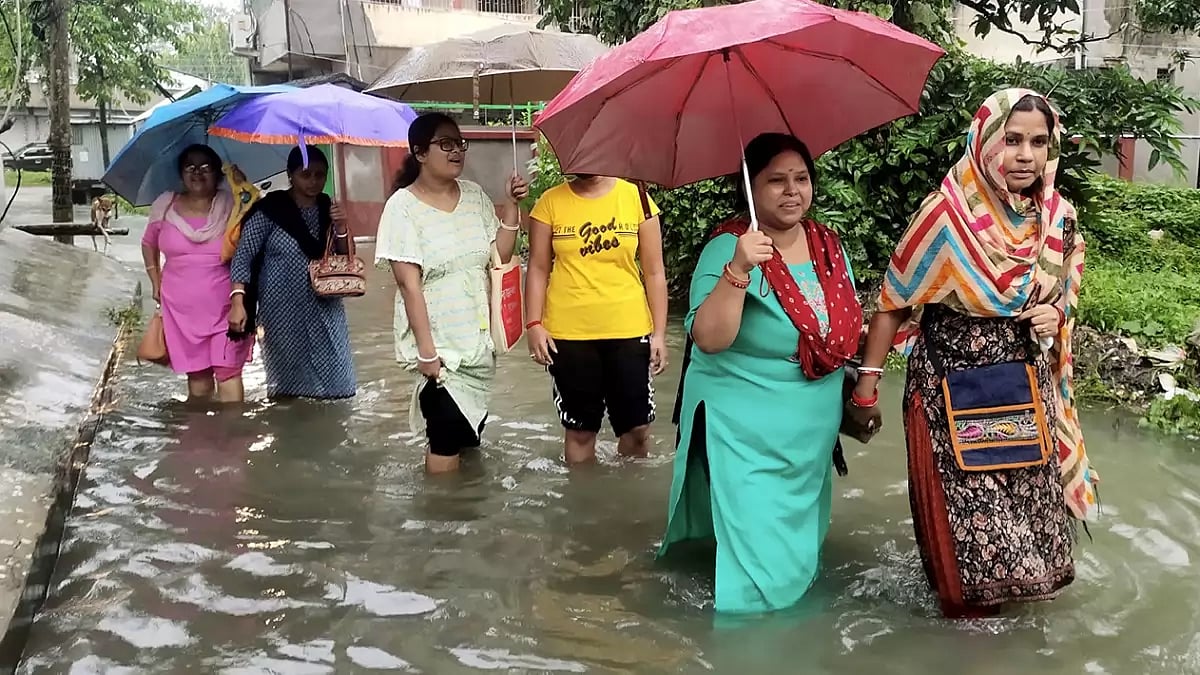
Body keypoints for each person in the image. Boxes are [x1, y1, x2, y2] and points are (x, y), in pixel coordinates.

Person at [850, 89, 1095, 618]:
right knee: (967, 548)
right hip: (948, 396)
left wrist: (1056, 317)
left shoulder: (1056, 217)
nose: (1025, 155)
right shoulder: (946, 214)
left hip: (1027, 397)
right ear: (985, 142)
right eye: (1012, 140)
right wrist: (865, 390)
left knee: (1028, 538)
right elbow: (893, 304)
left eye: (1037, 141)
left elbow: (1062, 301)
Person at [657, 133, 863, 614]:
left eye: (801, 179)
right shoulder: (729, 247)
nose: (793, 191)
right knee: (754, 554)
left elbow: (846, 325)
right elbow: (708, 338)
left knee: (796, 546)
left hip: (809, 428)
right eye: (776, 181)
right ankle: (745, 642)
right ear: (750, 187)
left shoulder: (827, 245)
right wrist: (738, 268)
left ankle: (791, 633)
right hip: (744, 426)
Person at [375, 112, 529, 473]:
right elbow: (409, 285)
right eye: (446, 144)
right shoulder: (402, 208)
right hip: (440, 356)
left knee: (470, 445)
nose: (457, 151)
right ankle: (440, 522)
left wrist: (511, 204)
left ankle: (470, 523)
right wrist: (427, 354)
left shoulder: (474, 197)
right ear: (420, 153)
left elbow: (499, 256)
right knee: (444, 449)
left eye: (460, 143)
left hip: (477, 347)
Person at [524, 173, 669, 465]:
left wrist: (660, 334)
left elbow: (655, 272)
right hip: (569, 334)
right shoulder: (549, 203)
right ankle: (584, 502)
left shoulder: (637, 199)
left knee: (638, 429)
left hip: (630, 328)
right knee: (580, 431)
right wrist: (534, 324)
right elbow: (538, 268)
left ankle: (628, 496)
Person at [228, 146, 357, 400]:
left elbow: (346, 257)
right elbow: (244, 256)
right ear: (291, 175)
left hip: (325, 307)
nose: (313, 182)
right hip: (282, 310)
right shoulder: (270, 210)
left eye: (320, 175)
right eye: (305, 174)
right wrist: (238, 302)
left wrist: (341, 226)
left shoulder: (327, 208)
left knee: (338, 380)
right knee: (289, 385)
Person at [142, 144, 253, 403]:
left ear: (218, 173)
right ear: (181, 173)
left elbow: (247, 251)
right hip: (181, 312)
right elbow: (148, 244)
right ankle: (203, 439)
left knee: (228, 373)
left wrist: (243, 189)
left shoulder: (233, 206)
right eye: (190, 167)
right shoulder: (165, 205)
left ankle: (233, 438)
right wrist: (154, 280)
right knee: (199, 381)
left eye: (206, 167)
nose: (197, 172)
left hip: (227, 307)